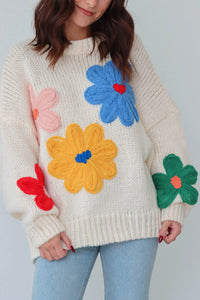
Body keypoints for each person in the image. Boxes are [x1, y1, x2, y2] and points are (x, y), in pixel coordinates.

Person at [0, 0, 198, 299]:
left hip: (135, 215)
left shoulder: (125, 48)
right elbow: (15, 147)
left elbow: (161, 120)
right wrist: (40, 222)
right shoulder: (24, 59)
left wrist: (175, 198)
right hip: (63, 225)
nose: (93, 3)